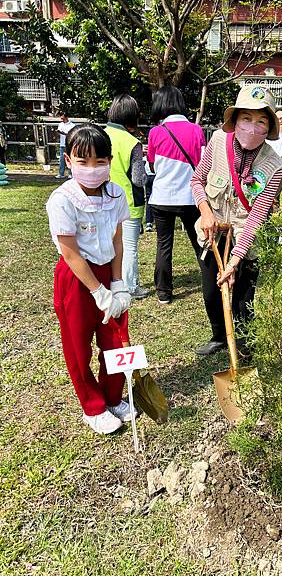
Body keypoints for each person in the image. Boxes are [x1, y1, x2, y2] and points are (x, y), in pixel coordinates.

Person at [46, 123, 137, 434]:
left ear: (110, 161)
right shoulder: (62, 199)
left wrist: (118, 283)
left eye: (100, 161)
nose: (92, 169)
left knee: (115, 341)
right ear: (69, 161)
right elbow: (70, 253)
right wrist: (98, 292)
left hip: (107, 271)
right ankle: (93, 406)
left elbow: (117, 239)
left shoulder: (116, 193)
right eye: (82, 161)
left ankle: (113, 397)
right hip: (77, 278)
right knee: (78, 346)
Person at [191, 85, 282, 356]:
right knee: (211, 293)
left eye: (261, 121)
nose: (252, 127)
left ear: (269, 127)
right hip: (212, 234)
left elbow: (257, 216)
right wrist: (205, 211)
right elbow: (197, 179)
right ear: (236, 120)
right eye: (246, 118)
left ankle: (243, 346)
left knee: (244, 299)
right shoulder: (218, 142)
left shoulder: (274, 165)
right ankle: (219, 335)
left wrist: (234, 262)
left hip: (247, 238)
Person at [147, 86, 206, 304]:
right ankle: (211, 282)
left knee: (164, 245)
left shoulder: (155, 132)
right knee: (201, 242)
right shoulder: (196, 130)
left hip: (162, 198)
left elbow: (152, 166)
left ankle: (164, 292)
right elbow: (203, 165)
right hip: (191, 198)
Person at [105, 94, 149, 299]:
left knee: (107, 244)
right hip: (129, 203)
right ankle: (130, 286)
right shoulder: (133, 143)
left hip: (102, 200)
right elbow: (138, 179)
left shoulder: (101, 136)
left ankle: (109, 282)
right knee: (128, 246)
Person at [56, 113, 75, 180]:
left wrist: (64, 133)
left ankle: (71, 174)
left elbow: (72, 135)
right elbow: (59, 134)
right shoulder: (60, 124)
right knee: (61, 159)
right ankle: (61, 173)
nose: (62, 119)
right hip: (62, 144)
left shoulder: (72, 125)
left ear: (66, 117)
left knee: (70, 159)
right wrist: (58, 133)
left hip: (69, 144)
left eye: (63, 118)